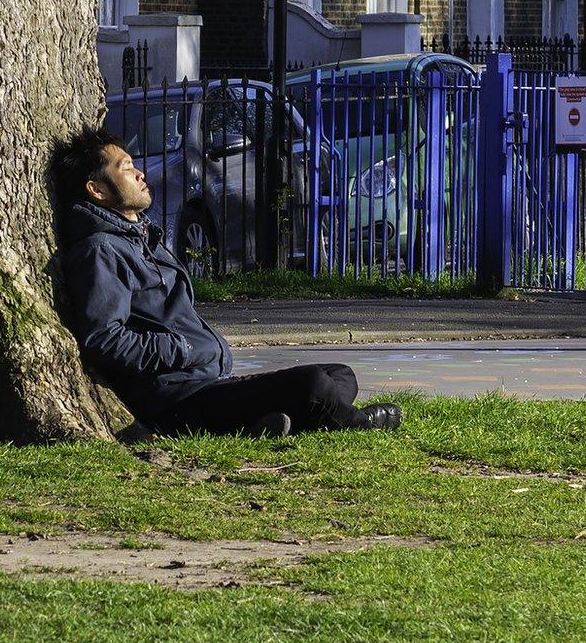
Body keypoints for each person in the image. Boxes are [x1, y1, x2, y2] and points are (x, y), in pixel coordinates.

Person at [48, 125, 402, 437]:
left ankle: (264, 422)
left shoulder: (139, 239)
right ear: (97, 190)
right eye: (126, 168)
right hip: (176, 397)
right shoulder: (101, 250)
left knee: (339, 372)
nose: (140, 174)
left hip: (206, 380)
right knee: (312, 385)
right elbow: (104, 338)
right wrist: (182, 350)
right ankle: (354, 423)